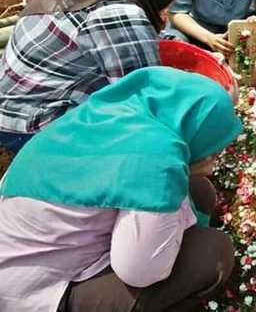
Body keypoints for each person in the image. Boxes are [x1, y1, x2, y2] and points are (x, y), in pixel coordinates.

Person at [0, 66, 243, 312]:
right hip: (33, 293)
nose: (213, 162)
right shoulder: (156, 156)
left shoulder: (113, 113)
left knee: (199, 190)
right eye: (213, 151)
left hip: (25, 254)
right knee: (211, 254)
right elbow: (141, 272)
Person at [0, 0, 199, 154]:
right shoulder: (117, 11)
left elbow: (137, 38)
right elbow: (145, 101)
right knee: (140, 136)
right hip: (31, 127)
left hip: (13, 105)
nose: (172, 1)